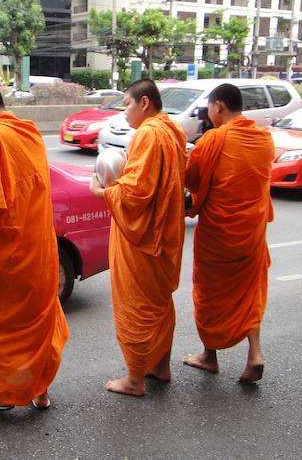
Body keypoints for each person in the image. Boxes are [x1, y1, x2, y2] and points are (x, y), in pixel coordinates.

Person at [0, 82, 69, 411]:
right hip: (38, 250)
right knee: (37, 319)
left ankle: (0, 395)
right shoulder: (30, 132)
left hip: (4, 255)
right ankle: (39, 390)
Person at [89, 78, 187, 397]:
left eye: (128, 104)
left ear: (144, 103)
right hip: (166, 235)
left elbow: (135, 193)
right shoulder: (173, 130)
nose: (125, 113)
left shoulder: (148, 132)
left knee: (137, 304)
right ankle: (161, 365)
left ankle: (134, 379)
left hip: (143, 237)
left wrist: (103, 191)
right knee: (159, 303)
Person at [182, 84, 273, 383]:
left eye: (209, 107)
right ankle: (255, 354)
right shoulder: (263, 139)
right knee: (250, 291)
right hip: (251, 232)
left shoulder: (214, 140)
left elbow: (192, 179)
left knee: (209, 292)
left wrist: (187, 156)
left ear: (218, 106)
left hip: (219, 234)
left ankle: (209, 356)